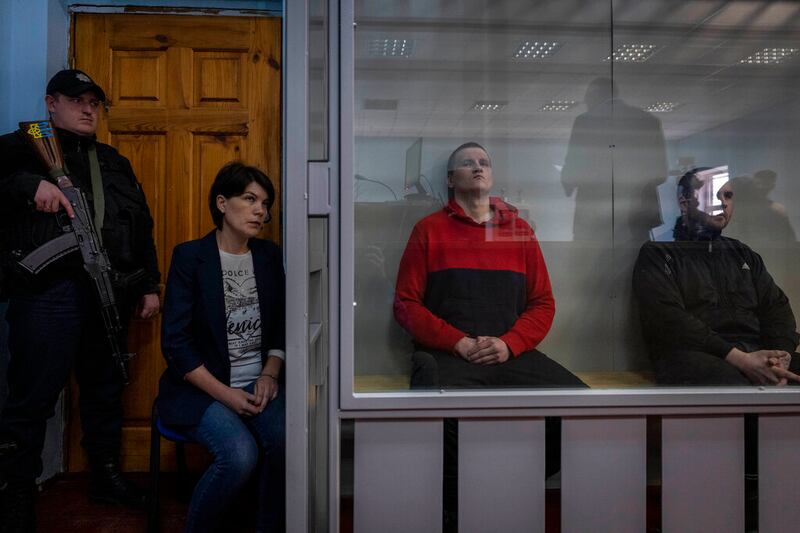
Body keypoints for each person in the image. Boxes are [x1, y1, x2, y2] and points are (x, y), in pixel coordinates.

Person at [0, 69, 160, 531]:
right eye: (77, 100)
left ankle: (105, 477)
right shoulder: (20, 147)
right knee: (32, 398)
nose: (89, 108)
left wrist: (149, 283)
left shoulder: (113, 161)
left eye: (95, 102)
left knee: (105, 390)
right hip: (48, 294)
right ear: (51, 104)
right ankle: (15, 493)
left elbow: (139, 222)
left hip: (110, 293)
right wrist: (28, 186)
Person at [394, 141, 585, 390]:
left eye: (483, 163)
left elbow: (543, 303)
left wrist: (509, 344)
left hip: (509, 354)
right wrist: (458, 342)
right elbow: (405, 304)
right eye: (467, 163)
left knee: (578, 402)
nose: (477, 168)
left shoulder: (520, 231)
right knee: (445, 421)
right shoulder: (428, 230)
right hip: (447, 356)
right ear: (450, 180)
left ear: (491, 176)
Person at [158, 162, 285, 532]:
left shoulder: (268, 256)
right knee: (239, 455)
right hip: (202, 389)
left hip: (259, 383)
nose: (260, 210)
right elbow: (176, 343)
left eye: (265, 202)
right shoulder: (189, 257)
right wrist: (226, 395)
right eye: (249, 199)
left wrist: (270, 372)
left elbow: (282, 323)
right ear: (222, 203)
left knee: (287, 444)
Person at [633, 168, 800, 385]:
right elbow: (669, 320)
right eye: (712, 195)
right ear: (684, 203)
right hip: (697, 357)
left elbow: (777, 308)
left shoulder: (742, 253)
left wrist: (779, 356)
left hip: (756, 353)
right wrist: (739, 359)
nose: (722, 202)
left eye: (727, 196)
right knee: (730, 383)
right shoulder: (659, 253)